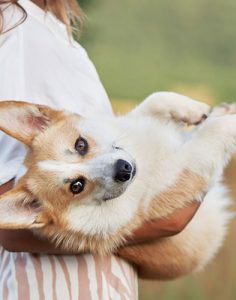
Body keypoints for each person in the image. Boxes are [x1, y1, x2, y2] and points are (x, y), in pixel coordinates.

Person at [0, 0, 200, 299]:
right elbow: (9, 230)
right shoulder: (18, 26)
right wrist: (160, 220)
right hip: (58, 286)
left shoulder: (45, 30)